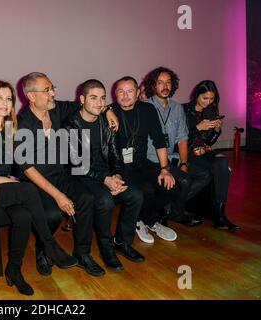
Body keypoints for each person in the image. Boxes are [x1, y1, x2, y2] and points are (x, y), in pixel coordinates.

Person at [0, 80, 77, 296]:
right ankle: (50, 245)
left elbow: (22, 163)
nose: (5, 103)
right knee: (27, 189)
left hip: (2, 188)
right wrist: (9, 181)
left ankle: (14, 270)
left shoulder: (11, 129)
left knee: (23, 217)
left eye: (9, 99)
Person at [16, 72, 118, 277]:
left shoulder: (57, 109)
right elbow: (28, 169)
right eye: (47, 90)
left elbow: (89, 104)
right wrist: (58, 196)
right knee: (52, 214)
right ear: (31, 96)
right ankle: (43, 250)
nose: (52, 93)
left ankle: (82, 253)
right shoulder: (21, 124)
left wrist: (108, 110)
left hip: (60, 174)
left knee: (86, 199)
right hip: (35, 181)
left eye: (52, 88)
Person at [64, 79, 145, 270]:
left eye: (102, 98)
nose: (99, 103)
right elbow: (76, 164)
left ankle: (123, 243)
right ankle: (105, 249)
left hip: (105, 174)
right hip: (80, 175)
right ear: (82, 99)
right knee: (105, 201)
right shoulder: (71, 125)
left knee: (135, 195)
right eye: (93, 98)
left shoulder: (107, 121)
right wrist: (105, 180)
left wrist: (116, 174)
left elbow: (116, 154)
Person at [110, 76, 178, 244]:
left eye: (130, 91)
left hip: (141, 163)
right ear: (115, 93)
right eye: (121, 91)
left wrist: (164, 169)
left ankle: (144, 220)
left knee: (172, 187)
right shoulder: (109, 111)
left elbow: (159, 141)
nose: (125, 96)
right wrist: (106, 110)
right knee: (145, 189)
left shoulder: (147, 110)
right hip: (118, 167)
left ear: (138, 92)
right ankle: (146, 221)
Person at [144, 67, 212, 226]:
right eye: (160, 82)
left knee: (205, 175)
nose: (165, 86)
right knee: (185, 181)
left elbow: (182, 138)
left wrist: (183, 163)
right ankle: (178, 214)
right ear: (153, 86)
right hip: (152, 160)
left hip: (172, 157)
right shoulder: (145, 107)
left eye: (168, 82)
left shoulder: (177, 108)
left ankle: (168, 208)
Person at [183, 80, 240, 231]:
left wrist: (216, 131)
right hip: (186, 152)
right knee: (218, 171)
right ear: (197, 95)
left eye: (211, 99)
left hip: (203, 151)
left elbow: (208, 142)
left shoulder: (210, 111)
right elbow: (179, 139)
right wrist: (197, 128)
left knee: (222, 162)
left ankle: (219, 212)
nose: (208, 102)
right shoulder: (183, 110)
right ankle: (217, 215)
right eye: (205, 98)